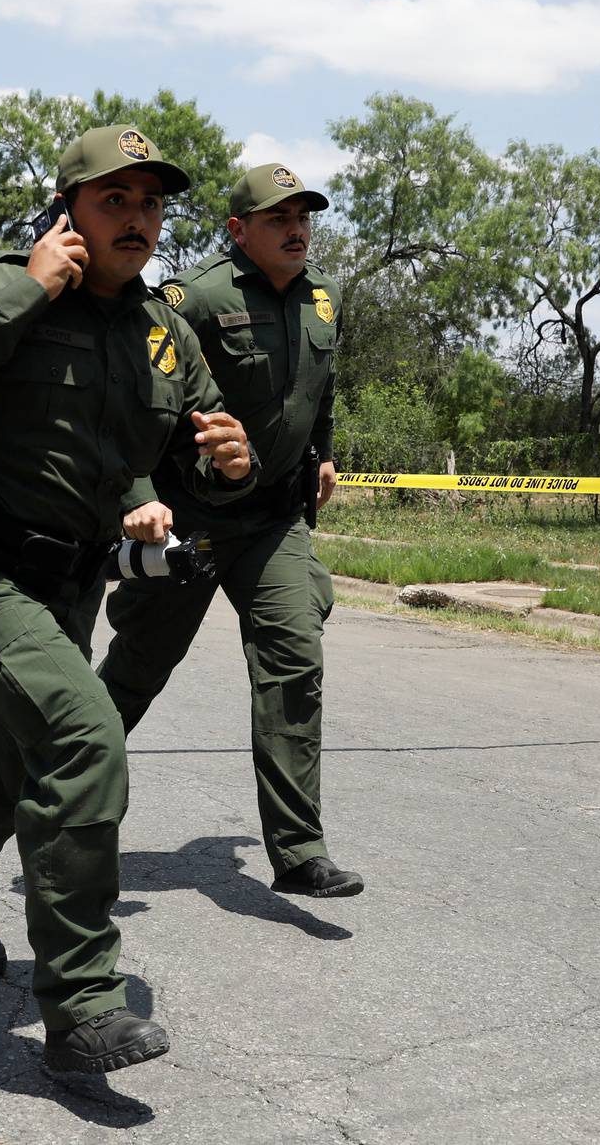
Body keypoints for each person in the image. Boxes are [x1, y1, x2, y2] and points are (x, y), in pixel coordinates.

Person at [0, 125, 256, 1075]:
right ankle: (84, 1005)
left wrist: (226, 465)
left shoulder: (165, 332)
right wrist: (28, 288)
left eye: (152, 203)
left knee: (14, 743)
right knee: (83, 734)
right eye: (115, 200)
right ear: (70, 207)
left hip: (75, 575)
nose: (138, 219)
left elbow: (184, 466)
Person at [96, 162, 361, 901]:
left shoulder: (323, 300)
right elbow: (142, 398)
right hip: (192, 518)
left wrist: (326, 452)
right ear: (239, 230)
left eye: (305, 216)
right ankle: (65, 812)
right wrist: (142, 498)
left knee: (293, 660)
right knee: (134, 673)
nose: (298, 228)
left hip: (273, 518)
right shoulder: (197, 297)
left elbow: (321, 385)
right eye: (279, 218)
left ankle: (300, 850)